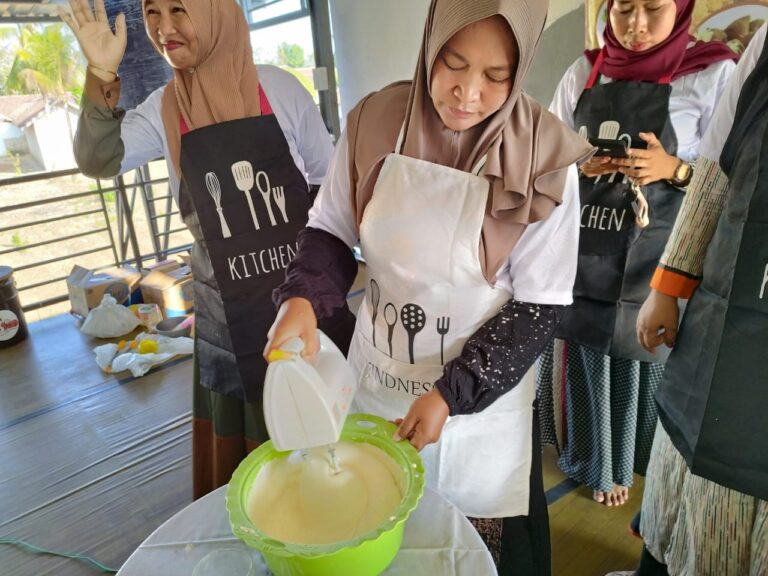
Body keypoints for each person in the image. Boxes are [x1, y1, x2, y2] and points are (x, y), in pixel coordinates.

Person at [264, 1, 593, 573]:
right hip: (378, 382)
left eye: (496, 76)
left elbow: (538, 309)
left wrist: (450, 395)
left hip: (477, 405)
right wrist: (302, 299)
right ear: (429, 47)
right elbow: (331, 231)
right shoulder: (374, 121)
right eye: (453, 64)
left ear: (521, 70)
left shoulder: (544, 160)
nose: (468, 93)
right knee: (377, 530)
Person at [61, 0, 354, 499]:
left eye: (180, 9)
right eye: (152, 12)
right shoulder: (163, 109)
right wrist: (101, 73)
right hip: (228, 310)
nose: (163, 28)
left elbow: (329, 185)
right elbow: (98, 159)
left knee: (325, 429)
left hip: (304, 296)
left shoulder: (280, 89)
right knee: (260, 455)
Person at [537, 0, 737, 507]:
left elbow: (731, 175)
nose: (636, 25)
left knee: (643, 351)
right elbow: (546, 153)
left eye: (653, 7)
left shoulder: (711, 72)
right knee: (584, 349)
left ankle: (636, 458)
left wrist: (674, 169)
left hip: (660, 253)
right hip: (586, 247)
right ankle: (595, 461)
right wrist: (578, 165)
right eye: (624, 9)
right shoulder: (584, 71)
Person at [628, 22, 768, 576]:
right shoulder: (767, 43)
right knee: (689, 494)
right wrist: (667, 286)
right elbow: (715, 170)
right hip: (727, 312)